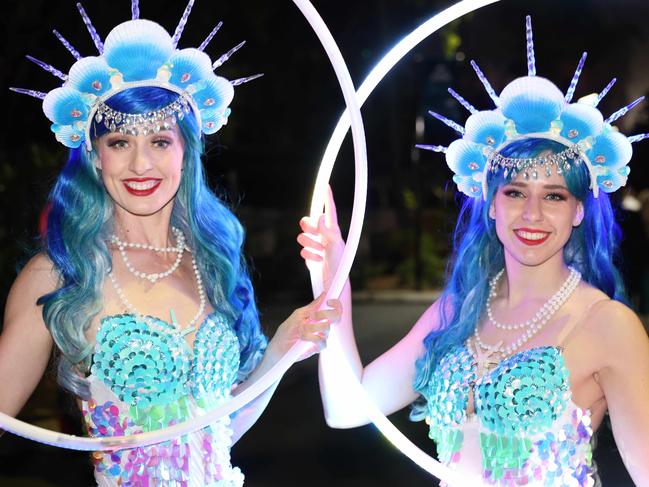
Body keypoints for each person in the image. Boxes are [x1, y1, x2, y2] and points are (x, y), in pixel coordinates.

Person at [299, 17, 649, 487]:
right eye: (514, 192)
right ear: (490, 203)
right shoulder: (460, 309)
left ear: (579, 211)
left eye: (554, 196)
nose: (532, 214)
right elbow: (347, 408)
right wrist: (330, 276)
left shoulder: (609, 325)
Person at [0, 3, 340, 486]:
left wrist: (281, 349)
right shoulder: (60, 273)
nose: (141, 164)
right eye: (119, 142)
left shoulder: (211, 261)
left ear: (187, 150)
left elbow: (214, 433)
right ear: (95, 157)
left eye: (160, 141)